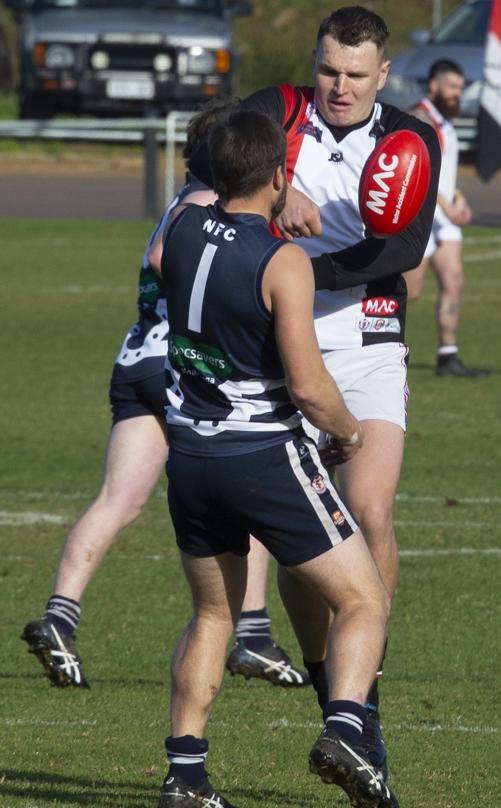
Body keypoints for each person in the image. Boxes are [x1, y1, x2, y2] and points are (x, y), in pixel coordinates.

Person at [219, 5, 440, 778]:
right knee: (302, 544)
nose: (339, 87)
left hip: (371, 344)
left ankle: (364, 688)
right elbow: (214, 155)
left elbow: (401, 249)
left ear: (383, 75)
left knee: (370, 509)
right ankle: (337, 697)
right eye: (328, 70)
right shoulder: (276, 112)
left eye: (355, 74)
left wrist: (300, 264)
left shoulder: (414, 138)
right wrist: (277, 202)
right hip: (280, 348)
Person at [21, 99, 307, 690]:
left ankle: (60, 615)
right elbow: (165, 258)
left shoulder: (181, 202)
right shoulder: (204, 208)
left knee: (119, 499)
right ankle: (250, 635)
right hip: (176, 362)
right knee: (243, 479)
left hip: (135, 361)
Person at [156, 109, 398, 808]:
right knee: (362, 598)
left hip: (190, 454)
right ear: (278, 177)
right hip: (259, 452)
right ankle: (347, 728)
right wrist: (348, 433)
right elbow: (309, 386)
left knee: (212, 615)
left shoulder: (180, 228)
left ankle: (186, 775)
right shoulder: (281, 259)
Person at [406, 59, 489, 377]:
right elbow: (420, 172)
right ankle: (373, 344)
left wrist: (458, 200)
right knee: (410, 291)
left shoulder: (446, 121)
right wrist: (445, 203)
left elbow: (445, 174)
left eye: (460, 88)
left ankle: (447, 355)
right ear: (434, 86)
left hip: (444, 216)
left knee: (453, 280)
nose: (458, 94)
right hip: (423, 214)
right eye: (452, 87)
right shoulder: (420, 118)